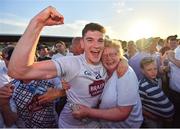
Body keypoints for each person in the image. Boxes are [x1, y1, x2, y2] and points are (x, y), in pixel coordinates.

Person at [8, 6, 127, 128]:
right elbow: (18, 71)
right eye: (90, 40)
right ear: (82, 43)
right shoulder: (72, 63)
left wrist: (123, 61)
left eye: (100, 41)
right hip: (70, 125)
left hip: (94, 123)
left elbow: (116, 57)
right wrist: (38, 23)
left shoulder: (104, 60)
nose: (96, 45)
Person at [72, 39, 143, 128]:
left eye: (113, 54)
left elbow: (123, 113)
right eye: (104, 55)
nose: (109, 58)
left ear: (120, 55)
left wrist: (88, 112)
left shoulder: (125, 73)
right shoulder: (102, 70)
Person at [139, 57, 174, 127]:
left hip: (161, 118)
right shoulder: (142, 86)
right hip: (152, 120)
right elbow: (139, 106)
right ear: (142, 71)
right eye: (149, 70)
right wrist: (152, 117)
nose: (153, 72)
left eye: (155, 69)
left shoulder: (155, 80)